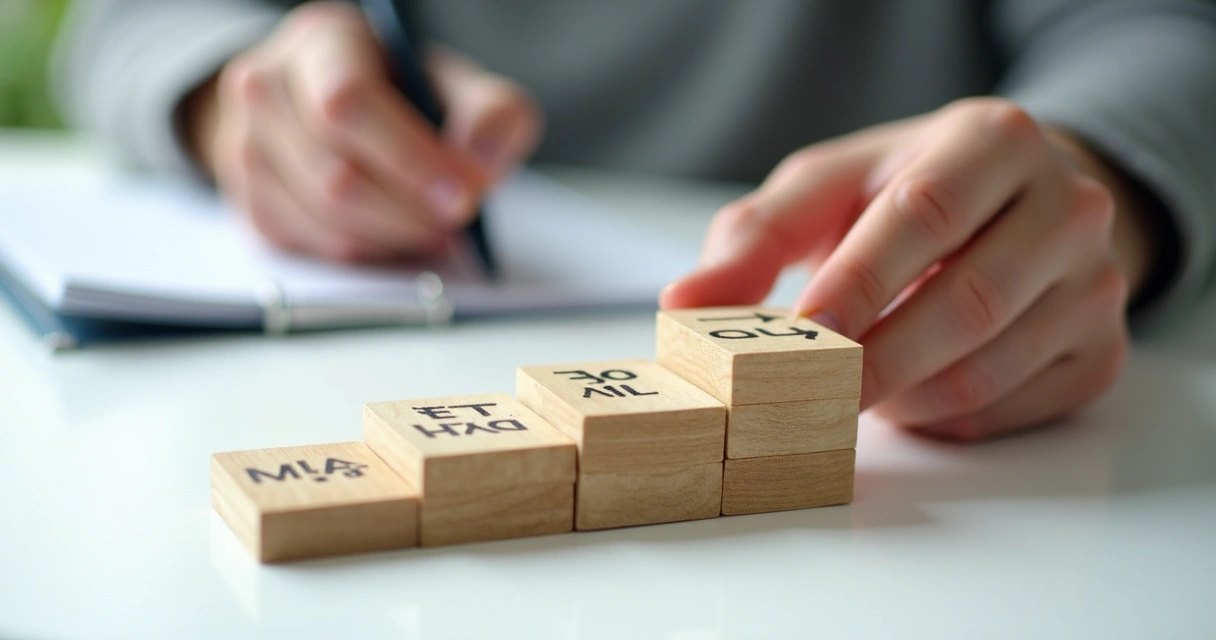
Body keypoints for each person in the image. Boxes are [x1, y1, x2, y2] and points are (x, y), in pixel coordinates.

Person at [52, 0, 1216, 440]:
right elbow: (122, 19)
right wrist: (234, 90)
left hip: (944, 354)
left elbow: (1164, 31)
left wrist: (1097, 169)